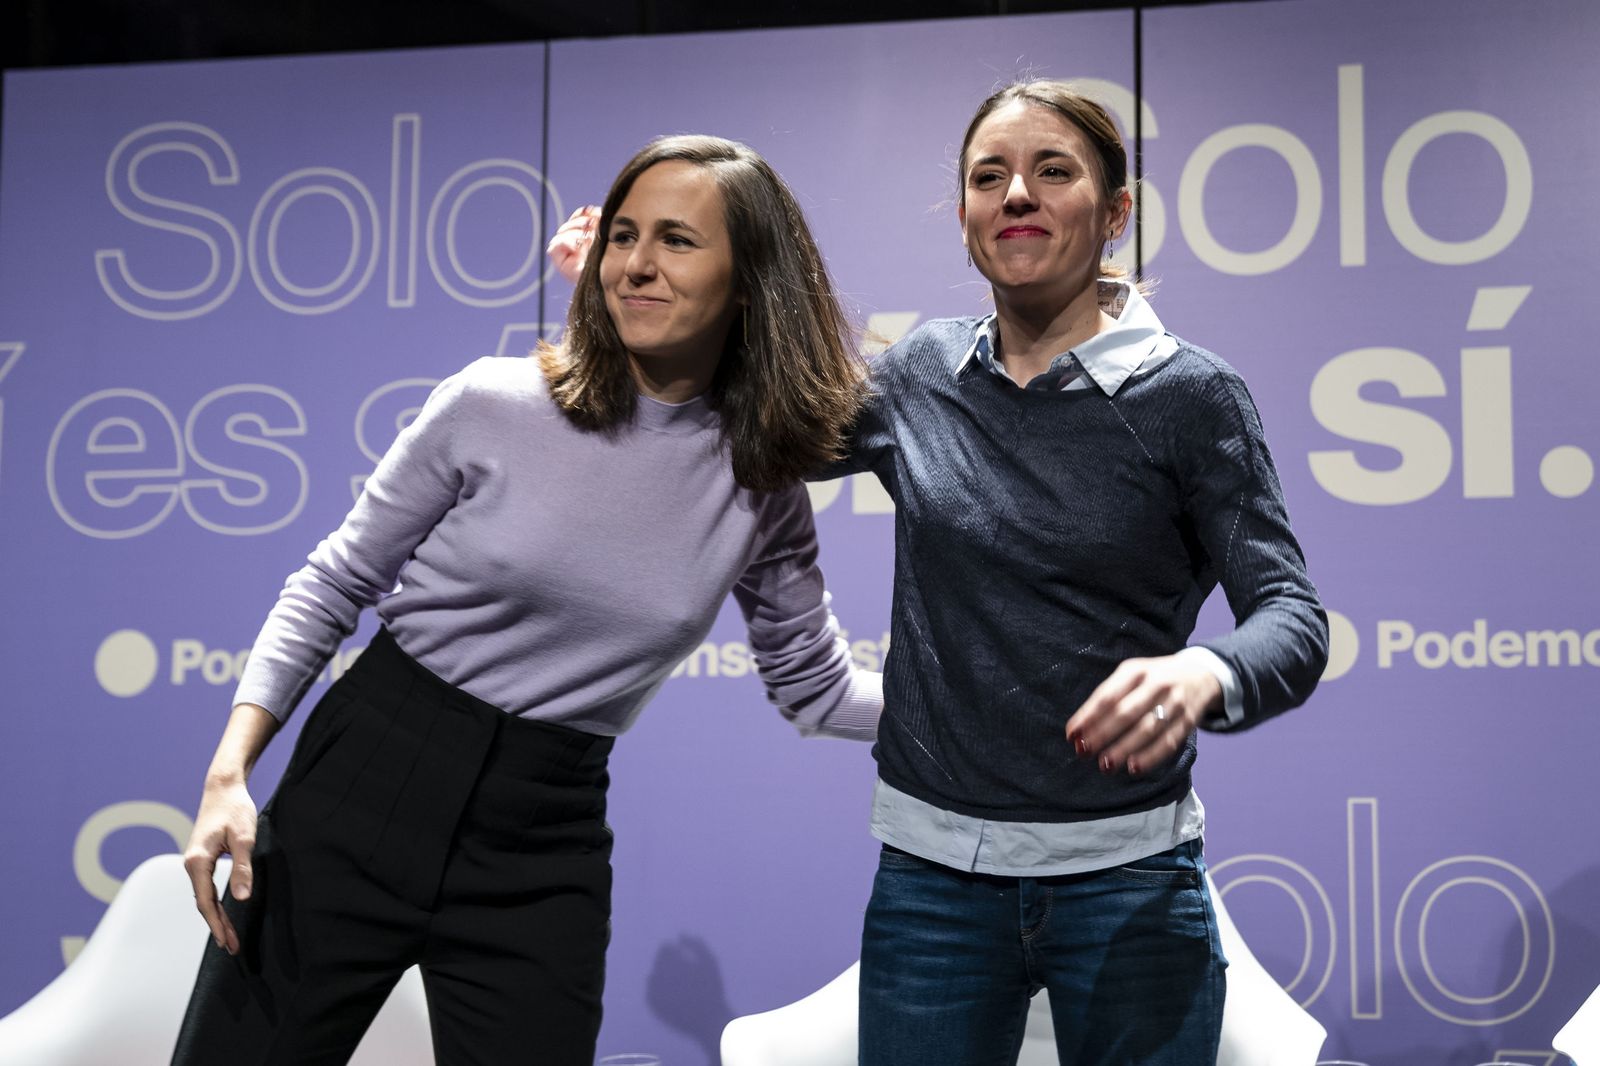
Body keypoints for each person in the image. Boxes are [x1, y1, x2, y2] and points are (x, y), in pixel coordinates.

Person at [550, 81, 1327, 1065]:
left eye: (1053, 171)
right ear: (963, 215)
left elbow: (1291, 616)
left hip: (1130, 884)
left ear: (1117, 212)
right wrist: (622, 297)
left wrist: (1205, 673)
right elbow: (750, 425)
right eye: (987, 176)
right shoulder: (922, 372)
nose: (1015, 195)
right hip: (932, 887)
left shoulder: (1192, 396)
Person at [172, 134, 881, 1066]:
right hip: (363, 780)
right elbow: (334, 581)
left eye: (676, 240)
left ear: (749, 281)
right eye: (623, 235)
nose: (636, 263)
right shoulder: (492, 401)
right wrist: (230, 774)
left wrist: (992, 714)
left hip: (542, 838)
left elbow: (817, 690)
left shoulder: (763, 485)